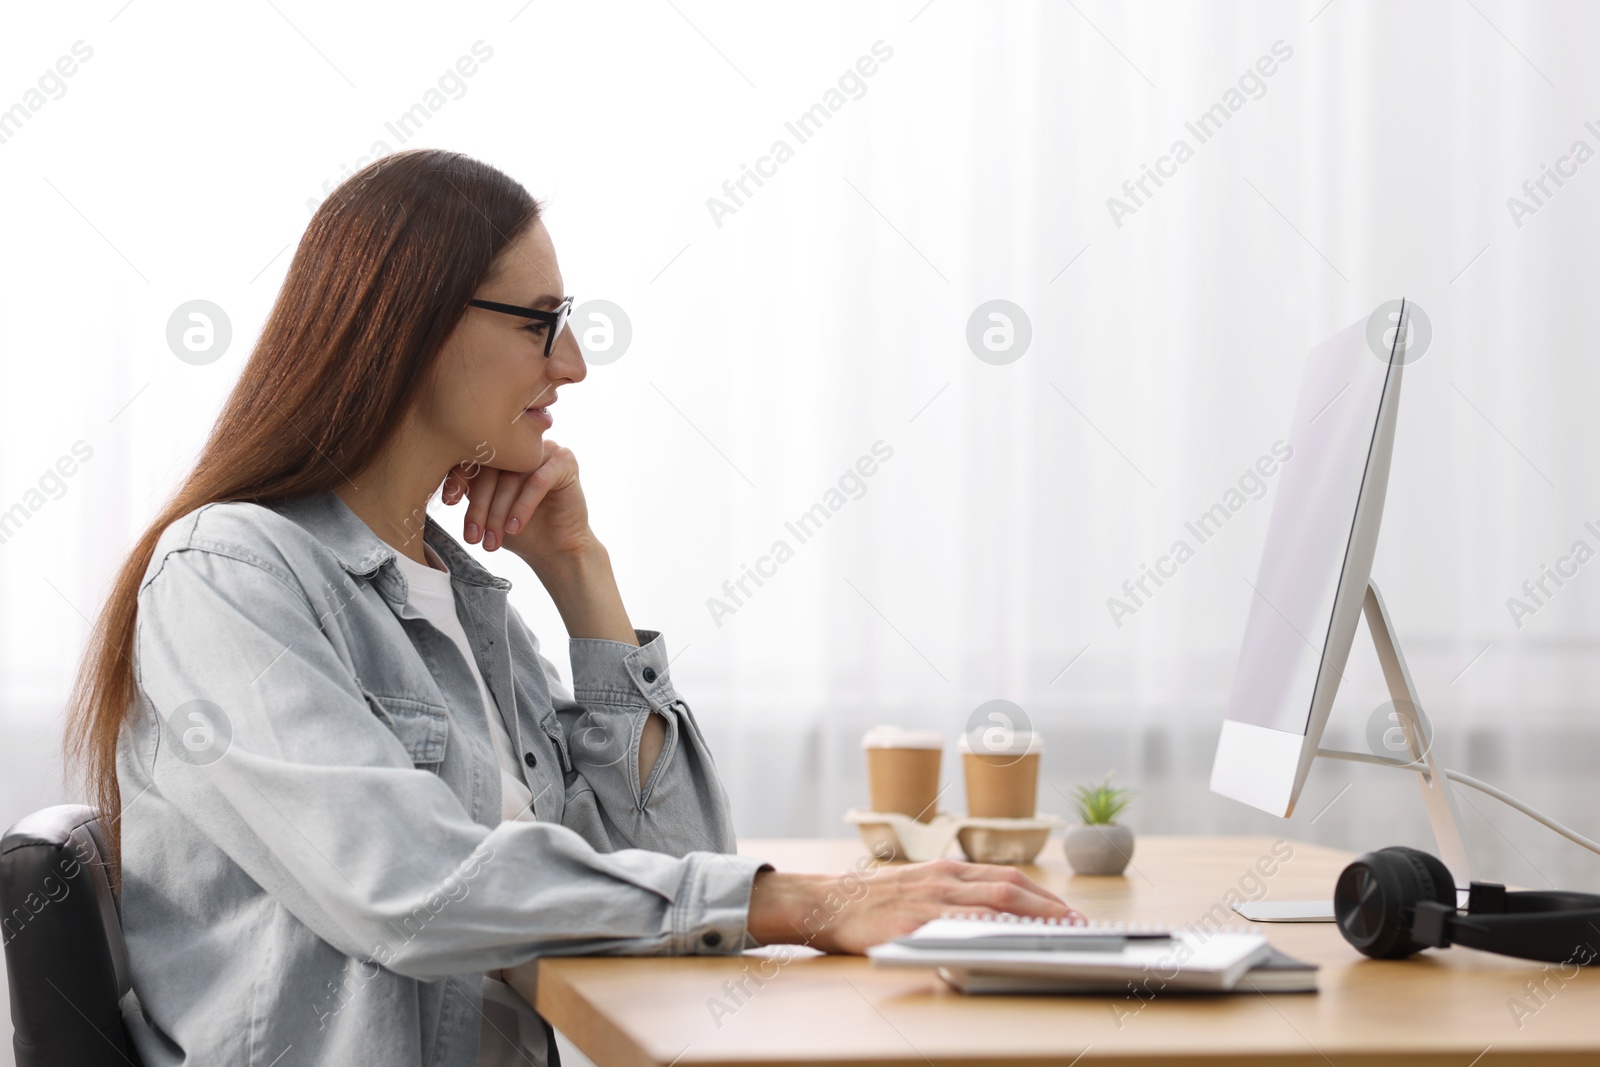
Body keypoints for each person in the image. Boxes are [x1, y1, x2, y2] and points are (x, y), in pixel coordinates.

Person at [64, 148, 1080, 1067]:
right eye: (541, 321)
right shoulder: (229, 573)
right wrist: (809, 901)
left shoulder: (462, 594)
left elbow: (683, 864)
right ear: (411, 324)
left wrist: (581, 573)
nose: (572, 364)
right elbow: (409, 887)